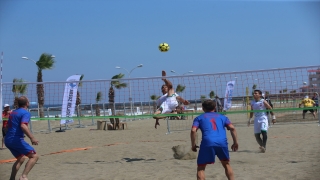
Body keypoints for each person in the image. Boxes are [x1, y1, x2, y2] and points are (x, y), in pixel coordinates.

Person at [191, 99, 238, 180]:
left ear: (203, 108)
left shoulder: (199, 118)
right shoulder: (223, 117)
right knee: (226, 164)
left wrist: (193, 145)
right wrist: (235, 142)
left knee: (201, 167)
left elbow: (193, 130)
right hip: (222, 142)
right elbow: (232, 128)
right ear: (215, 107)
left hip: (207, 142)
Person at [5, 96, 39, 180]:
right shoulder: (25, 113)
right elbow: (23, 125)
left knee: (21, 158)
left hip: (8, 139)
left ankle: (12, 178)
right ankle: (23, 176)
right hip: (15, 139)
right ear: (27, 103)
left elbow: (6, 127)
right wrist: (32, 138)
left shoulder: (13, 112)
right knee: (34, 156)